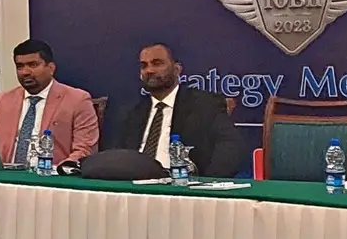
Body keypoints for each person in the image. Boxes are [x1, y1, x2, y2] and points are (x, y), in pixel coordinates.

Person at [100, 43, 246, 176]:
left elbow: (231, 148)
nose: (149, 70)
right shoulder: (129, 111)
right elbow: (114, 156)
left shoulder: (205, 104)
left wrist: (206, 184)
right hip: (134, 184)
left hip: (181, 185)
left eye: (157, 63)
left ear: (177, 69)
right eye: (144, 66)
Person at [0, 39, 100, 167]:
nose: (25, 72)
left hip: (53, 174)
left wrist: (64, 169)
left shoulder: (77, 100)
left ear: (51, 68)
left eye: (33, 65)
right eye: (20, 66)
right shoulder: (3, 100)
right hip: (7, 173)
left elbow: (85, 149)